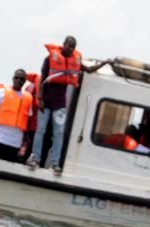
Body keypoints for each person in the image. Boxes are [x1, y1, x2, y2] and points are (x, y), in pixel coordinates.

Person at [30, 36, 109, 174]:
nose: (71, 48)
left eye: (73, 47)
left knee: (58, 132)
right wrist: (40, 98)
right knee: (41, 130)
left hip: (60, 104)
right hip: (46, 101)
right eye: (69, 45)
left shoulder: (75, 62)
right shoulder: (49, 59)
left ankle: (55, 163)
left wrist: (105, 63)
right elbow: (42, 78)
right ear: (64, 44)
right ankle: (35, 158)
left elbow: (89, 70)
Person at [0, 70, 35, 162]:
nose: (19, 80)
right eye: (17, 78)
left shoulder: (28, 98)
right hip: (0, 137)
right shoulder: (1, 92)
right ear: (13, 78)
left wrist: (26, 137)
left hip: (16, 140)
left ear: (25, 81)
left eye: (22, 79)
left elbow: (27, 119)